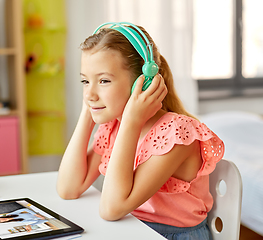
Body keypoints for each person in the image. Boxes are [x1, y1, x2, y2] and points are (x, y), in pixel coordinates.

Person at [56, 22, 224, 240]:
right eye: (85, 81)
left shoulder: (176, 133)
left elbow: (111, 209)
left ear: (142, 84)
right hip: (131, 230)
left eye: (104, 80)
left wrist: (131, 122)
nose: (90, 93)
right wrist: (87, 112)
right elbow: (69, 188)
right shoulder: (114, 126)